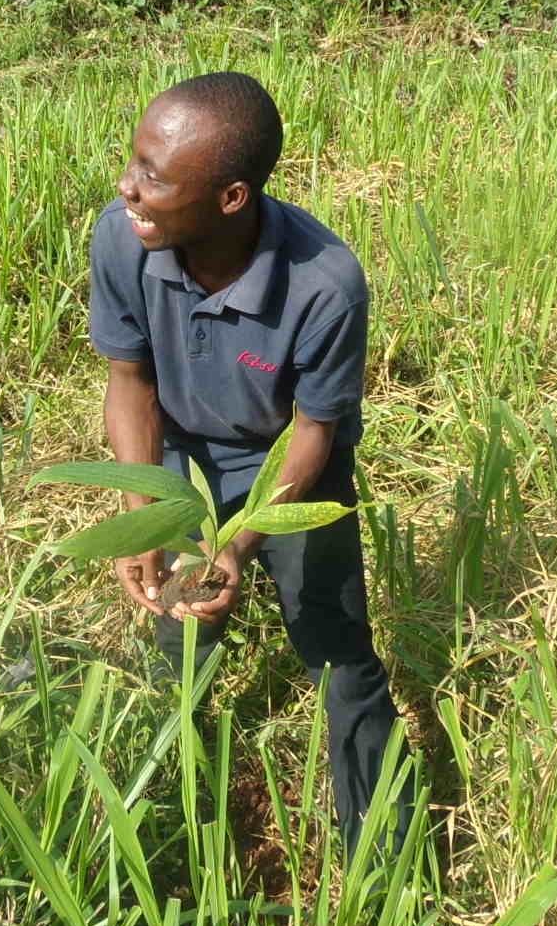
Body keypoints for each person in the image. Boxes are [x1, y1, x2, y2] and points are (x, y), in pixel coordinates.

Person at [85, 71, 412, 859]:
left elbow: (313, 431)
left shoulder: (323, 285)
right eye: (134, 160)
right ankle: (164, 822)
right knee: (176, 640)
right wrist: (146, 519)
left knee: (337, 652)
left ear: (231, 198)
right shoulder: (124, 237)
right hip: (183, 457)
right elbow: (129, 383)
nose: (128, 186)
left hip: (292, 464)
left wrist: (241, 543)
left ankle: (388, 862)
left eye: (155, 177)